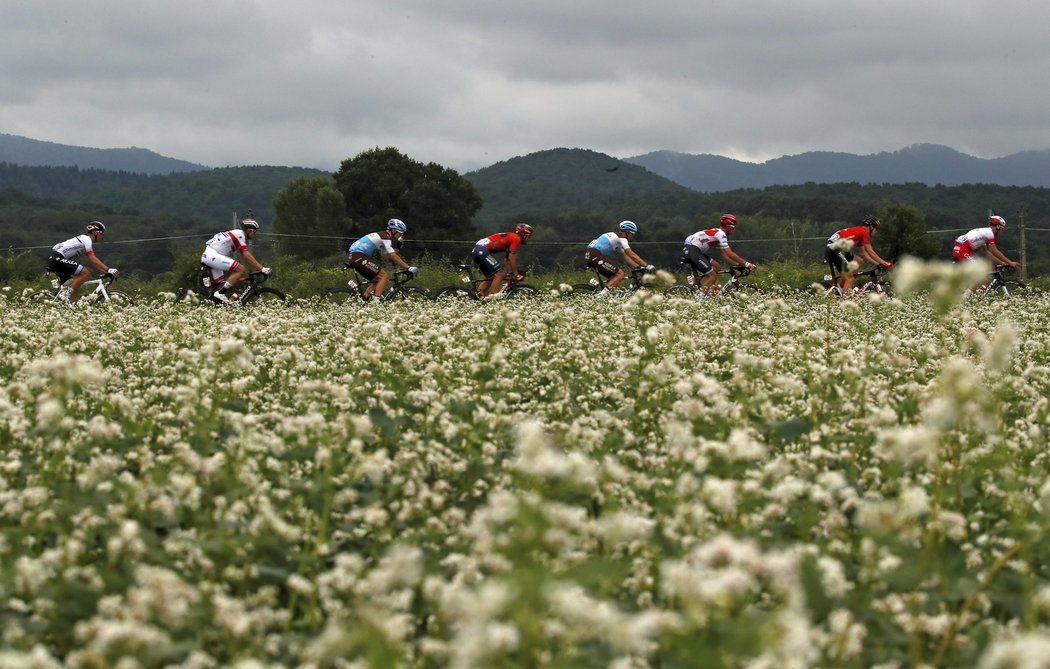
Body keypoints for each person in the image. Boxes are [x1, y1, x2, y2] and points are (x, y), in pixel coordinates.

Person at [682, 214, 756, 297]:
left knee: (717, 267)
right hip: (693, 250)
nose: (733, 229)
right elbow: (730, 253)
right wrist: (747, 264)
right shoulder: (721, 234)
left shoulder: (718, 234)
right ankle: (699, 300)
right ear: (727, 226)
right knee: (712, 276)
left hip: (694, 250)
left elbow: (724, 255)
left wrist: (738, 265)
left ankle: (705, 289)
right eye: (733, 227)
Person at [201, 217, 272, 303]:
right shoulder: (240, 234)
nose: (255, 234)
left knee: (222, 287)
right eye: (254, 232)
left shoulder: (236, 234)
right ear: (249, 230)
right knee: (241, 269)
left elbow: (245, 255)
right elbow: (246, 255)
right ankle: (221, 293)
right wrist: (262, 269)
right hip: (212, 255)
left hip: (210, 256)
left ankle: (221, 307)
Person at [48, 221, 120, 304]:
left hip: (56, 259)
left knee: (75, 287)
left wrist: (106, 271)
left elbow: (92, 262)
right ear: (95, 232)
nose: (102, 236)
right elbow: (93, 259)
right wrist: (109, 270)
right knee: (85, 273)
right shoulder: (87, 240)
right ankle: (65, 295)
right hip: (57, 258)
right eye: (101, 233)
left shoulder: (83, 240)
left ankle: (72, 305)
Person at [347, 218, 417, 301]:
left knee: (377, 279)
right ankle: (377, 302)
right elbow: (393, 256)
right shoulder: (385, 236)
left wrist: (397, 248)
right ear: (394, 230)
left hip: (356, 257)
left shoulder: (384, 238)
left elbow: (386, 257)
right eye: (400, 233)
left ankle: (365, 299)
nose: (401, 236)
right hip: (359, 256)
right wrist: (408, 267)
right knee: (384, 276)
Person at [824, 215, 892, 294]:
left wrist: (879, 264)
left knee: (859, 261)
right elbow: (870, 251)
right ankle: (845, 302)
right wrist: (884, 263)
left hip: (837, 249)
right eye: (877, 229)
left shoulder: (860, 232)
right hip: (835, 249)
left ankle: (843, 287)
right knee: (850, 279)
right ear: (871, 227)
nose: (876, 231)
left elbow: (864, 254)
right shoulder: (864, 232)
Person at [585, 221, 654, 296]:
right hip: (596, 255)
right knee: (620, 274)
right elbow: (631, 254)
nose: (633, 236)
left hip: (591, 255)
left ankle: (611, 297)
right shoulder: (622, 238)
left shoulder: (614, 237)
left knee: (615, 279)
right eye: (632, 234)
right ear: (627, 232)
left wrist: (638, 267)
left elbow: (625, 256)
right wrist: (646, 265)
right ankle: (601, 296)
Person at [473, 224, 532, 297]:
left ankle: (477, 296)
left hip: (478, 250)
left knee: (491, 277)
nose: (528, 238)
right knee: (499, 274)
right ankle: (493, 299)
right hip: (482, 250)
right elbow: (511, 257)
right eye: (528, 236)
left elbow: (507, 259)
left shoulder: (512, 237)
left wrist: (509, 272)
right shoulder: (516, 238)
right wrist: (516, 274)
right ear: (523, 234)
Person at [952, 215, 1021, 269]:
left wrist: (1002, 263)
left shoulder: (983, 234)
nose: (1002, 231)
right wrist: (1010, 262)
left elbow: (986, 253)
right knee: (980, 273)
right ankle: (970, 288)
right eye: (1002, 229)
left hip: (959, 249)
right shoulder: (989, 233)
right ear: (998, 227)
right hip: (963, 251)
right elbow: (995, 252)